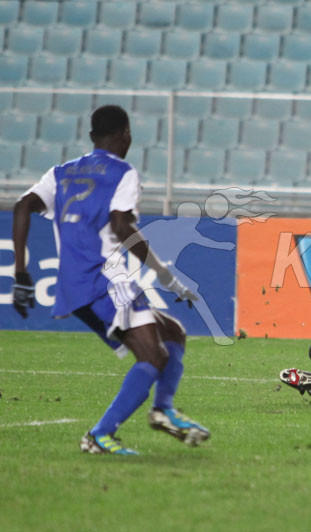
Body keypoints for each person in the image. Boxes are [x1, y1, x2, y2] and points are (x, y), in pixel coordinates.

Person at [12, 105, 210, 455]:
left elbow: (21, 207)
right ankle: (100, 435)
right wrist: (164, 274)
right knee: (152, 356)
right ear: (126, 135)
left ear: (91, 137)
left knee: (172, 332)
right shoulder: (123, 173)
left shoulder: (61, 172)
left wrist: (21, 272)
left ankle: (163, 410)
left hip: (76, 285)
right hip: (104, 280)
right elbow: (121, 226)